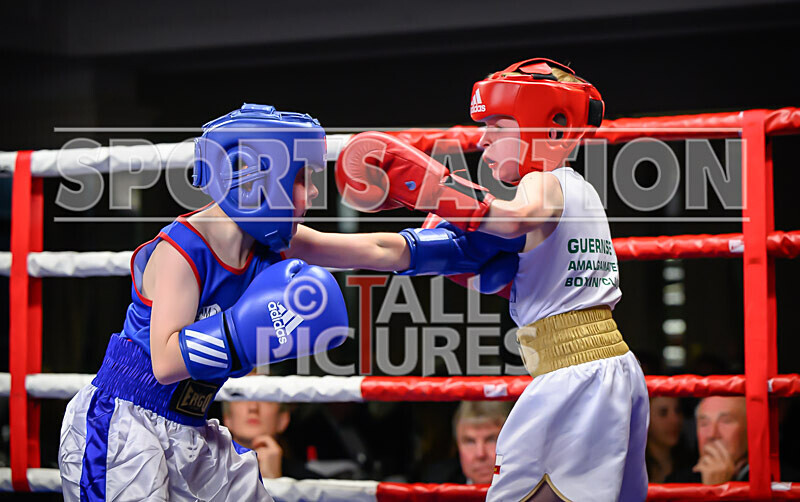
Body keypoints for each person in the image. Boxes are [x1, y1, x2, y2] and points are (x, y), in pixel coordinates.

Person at [58, 103, 513, 501]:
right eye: (300, 178)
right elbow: (165, 362)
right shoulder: (184, 249)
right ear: (255, 178)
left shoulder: (270, 243)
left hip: (191, 423)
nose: (312, 193)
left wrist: (456, 245)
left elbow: (373, 250)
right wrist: (241, 329)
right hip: (124, 421)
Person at [337, 58, 649, 501]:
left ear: (548, 128)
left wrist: (433, 189)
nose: (483, 139)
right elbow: (405, 253)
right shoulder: (579, 192)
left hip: (575, 377)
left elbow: (515, 217)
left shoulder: (545, 184)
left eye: (498, 126)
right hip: (606, 368)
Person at [424, 401, 512, 485]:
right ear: (457, 445)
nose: (480, 454)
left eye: (491, 440)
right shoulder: (437, 483)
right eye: (470, 442)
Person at [669, 396, 749, 484]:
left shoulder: (760, 482)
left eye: (726, 421)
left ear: (749, 428)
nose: (712, 434)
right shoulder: (677, 482)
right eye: (704, 423)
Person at [646, 397, 691, 483]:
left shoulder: (691, 464)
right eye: (663, 413)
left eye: (678, 411)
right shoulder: (632, 467)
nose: (675, 420)